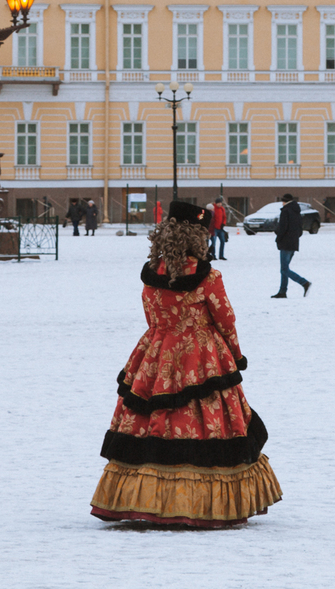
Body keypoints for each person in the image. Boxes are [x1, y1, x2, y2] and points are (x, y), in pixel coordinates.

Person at [90, 200, 281, 527]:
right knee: (208, 422)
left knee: (152, 419)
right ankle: (204, 503)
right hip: (202, 355)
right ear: (197, 237)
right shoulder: (208, 276)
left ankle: (143, 498)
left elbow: (151, 317)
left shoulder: (151, 276)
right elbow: (226, 319)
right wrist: (234, 355)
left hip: (157, 353)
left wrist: (163, 337)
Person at [272, 193, 311, 298]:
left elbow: (283, 227)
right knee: (285, 269)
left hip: (285, 243)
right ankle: (282, 291)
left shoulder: (285, 211)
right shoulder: (296, 210)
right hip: (293, 243)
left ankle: (304, 283)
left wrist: (278, 238)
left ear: (284, 201)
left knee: (284, 269)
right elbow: (300, 229)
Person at [209, 196, 228, 261]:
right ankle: (213, 255)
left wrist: (223, 223)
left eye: (220, 203)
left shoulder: (222, 209)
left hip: (220, 228)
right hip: (214, 228)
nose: (220, 204)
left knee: (223, 241)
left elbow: (224, 217)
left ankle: (221, 255)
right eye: (218, 203)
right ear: (215, 203)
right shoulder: (213, 209)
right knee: (214, 242)